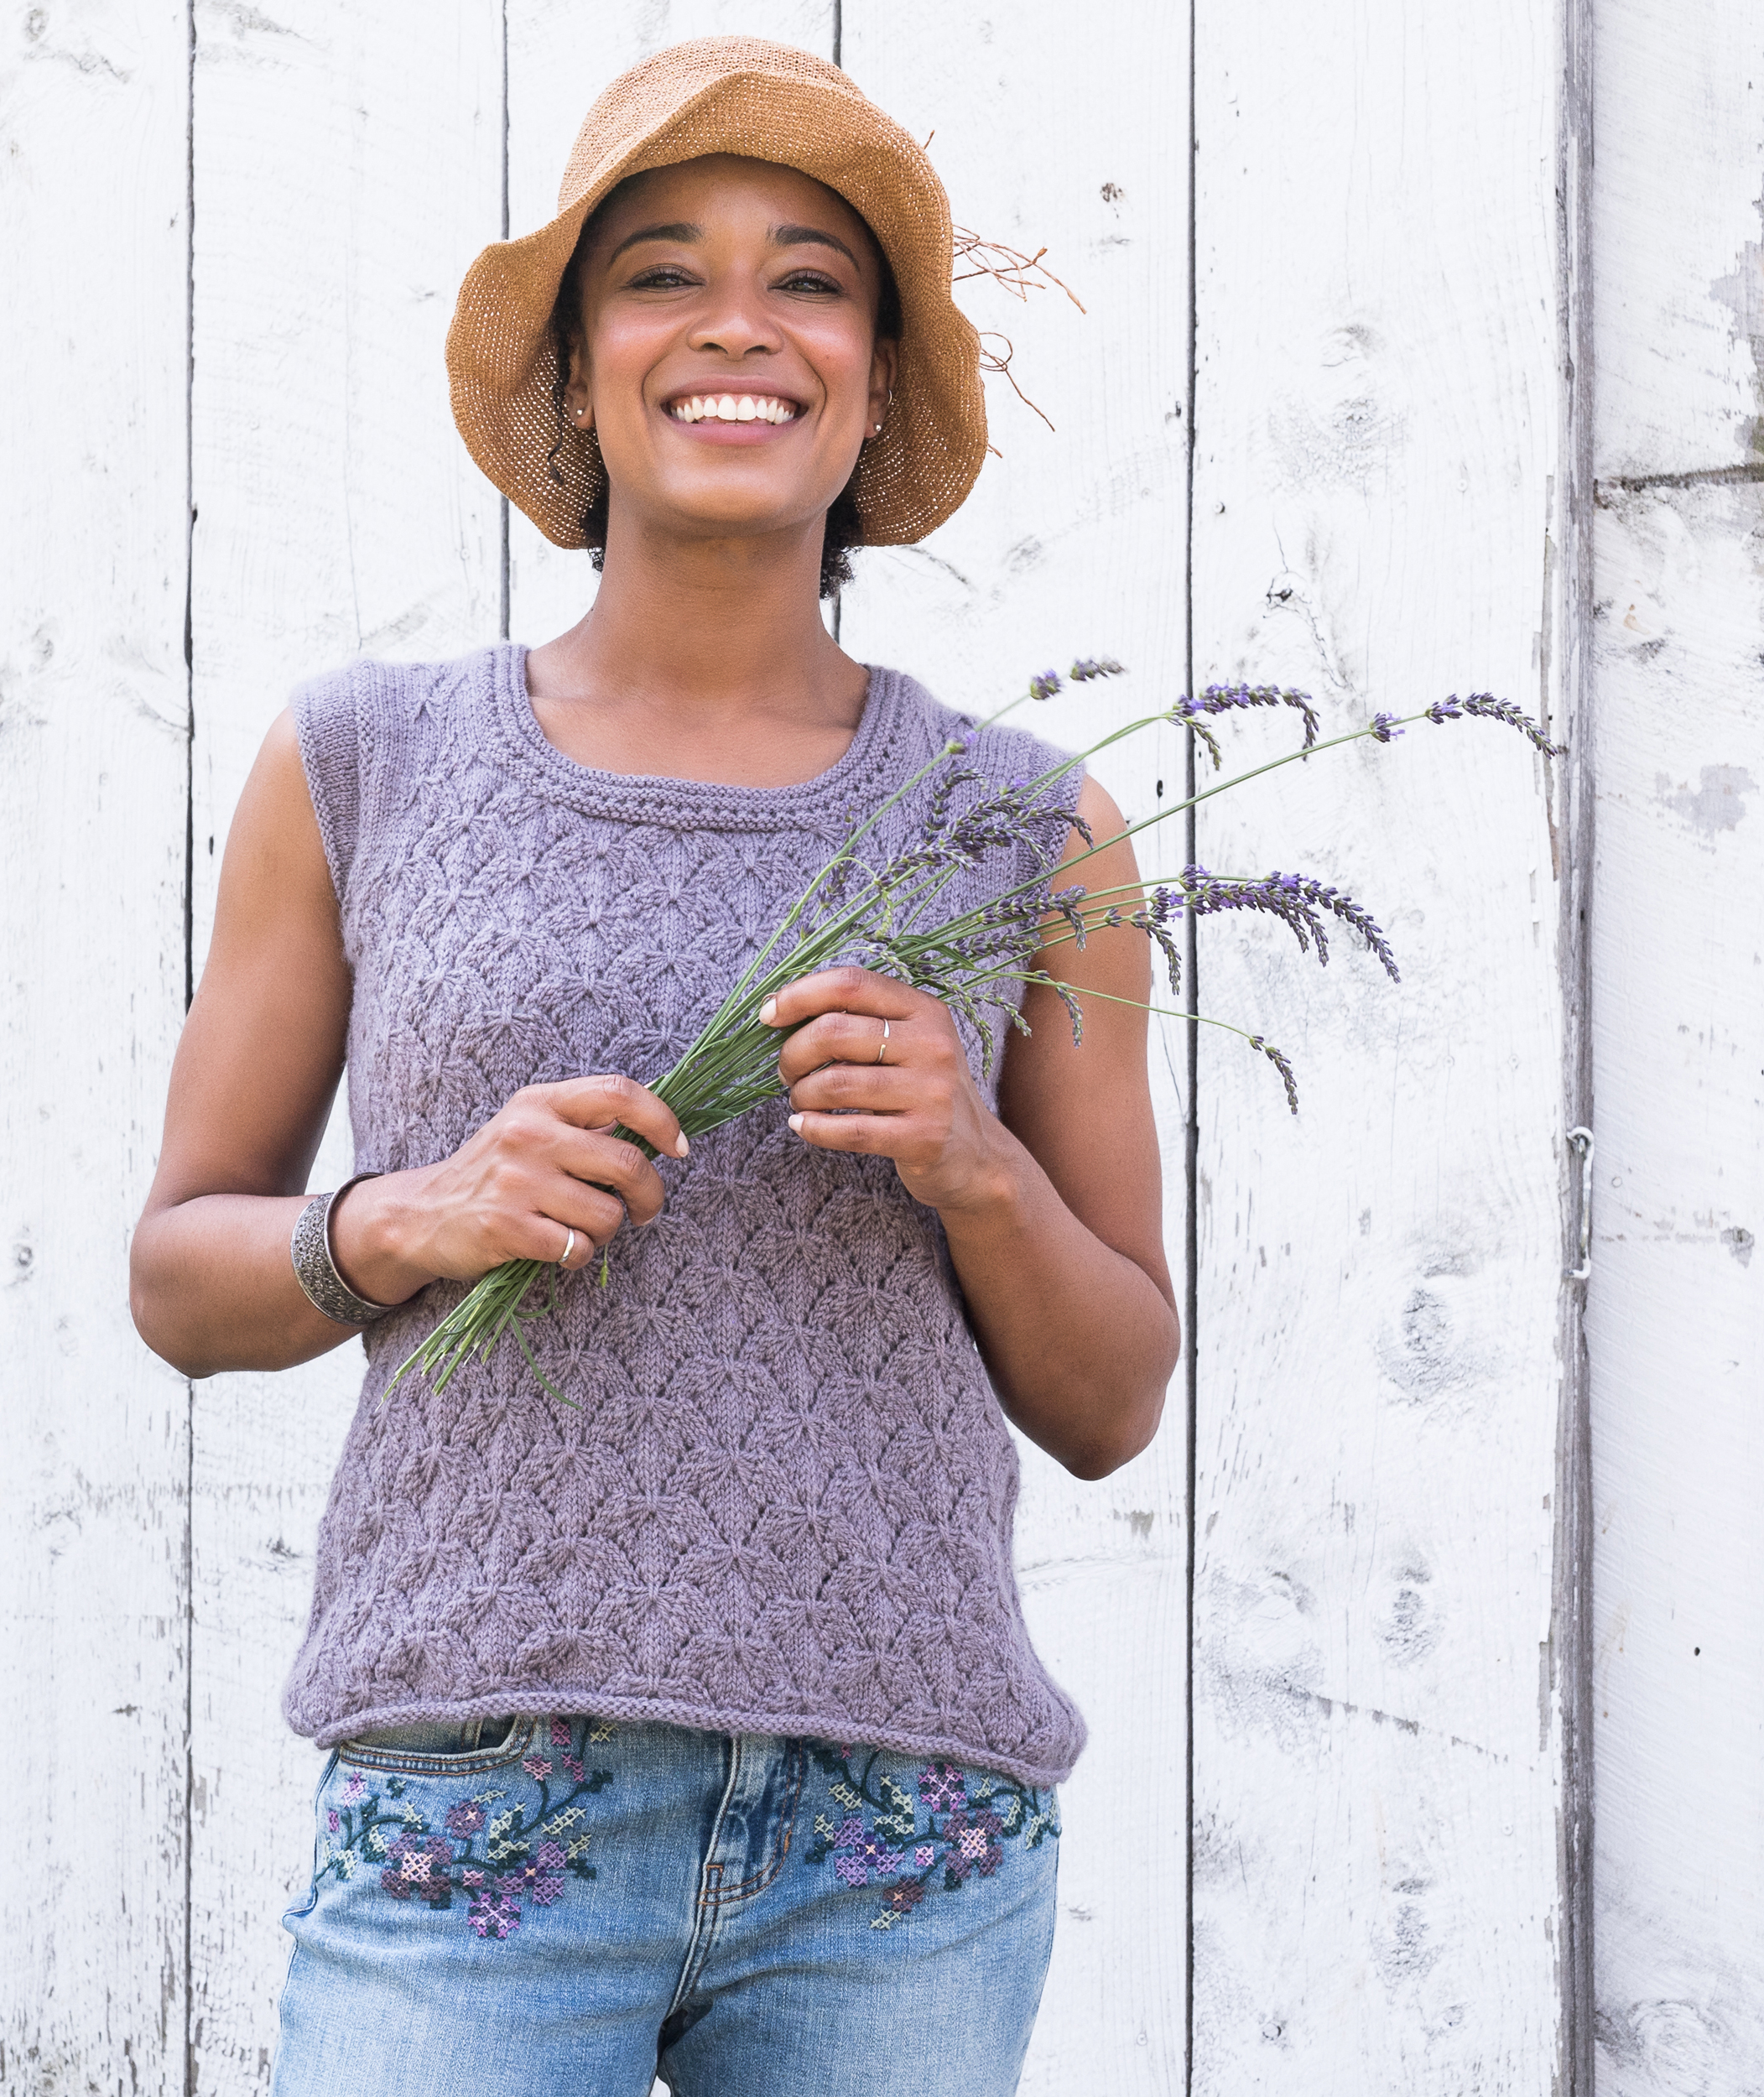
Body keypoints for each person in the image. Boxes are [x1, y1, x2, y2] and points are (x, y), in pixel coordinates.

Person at [131, 36, 1177, 2097]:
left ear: (870, 381)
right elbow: (175, 1272)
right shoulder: (365, 760)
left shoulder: (1023, 824)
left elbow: (1114, 1394)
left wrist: (969, 1158)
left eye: (809, 278)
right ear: (579, 370)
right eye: (658, 271)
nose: (735, 323)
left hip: (900, 1833)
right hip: (476, 1807)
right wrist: (403, 1216)